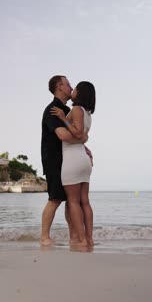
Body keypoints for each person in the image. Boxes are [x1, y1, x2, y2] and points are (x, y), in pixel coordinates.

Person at [40, 75, 88, 245]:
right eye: (68, 85)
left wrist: (85, 147)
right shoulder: (53, 109)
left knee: (70, 200)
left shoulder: (66, 111)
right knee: (55, 198)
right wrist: (83, 139)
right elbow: (63, 135)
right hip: (53, 159)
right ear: (59, 87)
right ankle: (45, 237)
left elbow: (75, 133)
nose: (71, 87)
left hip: (67, 159)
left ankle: (73, 237)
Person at [51, 81, 96, 247]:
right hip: (83, 160)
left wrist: (63, 118)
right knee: (85, 201)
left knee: (73, 202)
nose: (73, 90)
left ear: (81, 93)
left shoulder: (76, 109)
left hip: (72, 158)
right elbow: (83, 135)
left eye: (75, 88)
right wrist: (85, 139)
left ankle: (82, 240)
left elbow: (77, 133)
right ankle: (89, 239)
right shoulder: (88, 113)